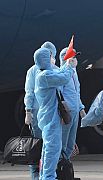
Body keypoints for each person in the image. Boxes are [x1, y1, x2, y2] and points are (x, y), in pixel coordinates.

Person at [33, 47, 76, 180]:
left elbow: (60, 74)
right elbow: (63, 78)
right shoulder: (45, 76)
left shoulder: (45, 74)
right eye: (51, 56)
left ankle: (45, 176)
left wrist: (66, 64)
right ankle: (49, 176)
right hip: (50, 118)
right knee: (53, 149)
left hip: (50, 117)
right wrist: (69, 66)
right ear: (45, 59)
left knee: (48, 149)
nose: (53, 59)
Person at [24, 41, 57, 180]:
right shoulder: (52, 70)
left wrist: (28, 112)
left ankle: (40, 174)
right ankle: (40, 174)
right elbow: (30, 92)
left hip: (41, 114)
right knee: (41, 146)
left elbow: (29, 92)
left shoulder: (35, 70)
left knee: (41, 146)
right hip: (44, 114)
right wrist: (28, 112)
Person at [59, 47, 86, 159]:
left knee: (71, 142)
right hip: (67, 113)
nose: (75, 59)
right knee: (63, 142)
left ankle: (66, 165)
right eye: (72, 57)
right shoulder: (61, 73)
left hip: (74, 112)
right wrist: (61, 113)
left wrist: (81, 109)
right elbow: (59, 95)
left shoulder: (74, 73)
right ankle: (60, 165)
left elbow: (76, 93)